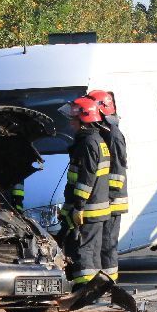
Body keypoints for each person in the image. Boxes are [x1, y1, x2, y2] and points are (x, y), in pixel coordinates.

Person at [57, 96, 110, 288]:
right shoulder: (95, 140)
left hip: (88, 210)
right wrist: (67, 210)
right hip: (93, 208)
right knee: (91, 252)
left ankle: (85, 292)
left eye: (74, 119)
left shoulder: (88, 144)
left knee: (84, 252)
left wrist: (79, 207)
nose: (71, 123)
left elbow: (85, 181)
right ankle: (92, 289)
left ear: (84, 120)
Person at [88, 89, 127, 281]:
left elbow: (117, 172)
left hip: (113, 201)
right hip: (106, 199)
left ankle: (110, 284)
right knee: (100, 245)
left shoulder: (113, 135)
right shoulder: (104, 131)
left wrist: (108, 196)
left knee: (107, 244)